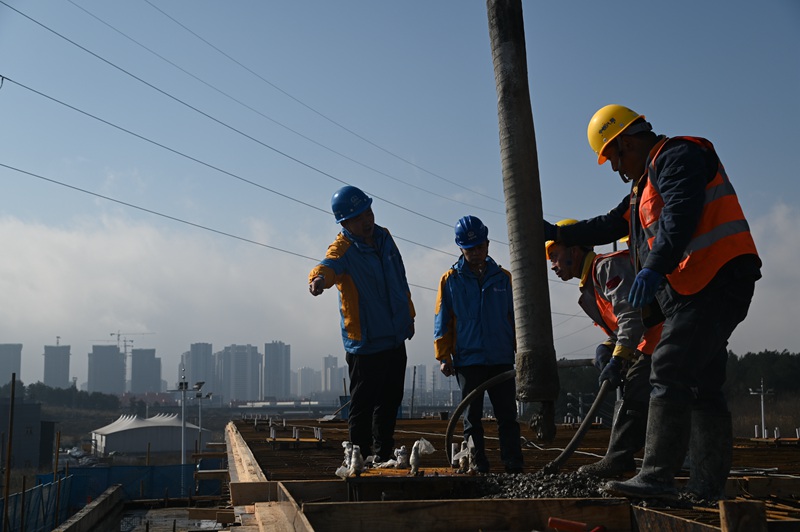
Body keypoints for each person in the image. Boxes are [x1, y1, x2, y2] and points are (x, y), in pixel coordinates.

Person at [544, 104, 760, 500]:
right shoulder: (642, 183)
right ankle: (705, 488)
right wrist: (558, 231)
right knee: (704, 385)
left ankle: (657, 477)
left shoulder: (678, 156)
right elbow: (611, 223)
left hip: (718, 279)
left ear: (625, 142)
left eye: (612, 158)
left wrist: (654, 268)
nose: (614, 168)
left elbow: (681, 215)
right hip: (692, 289)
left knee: (670, 365)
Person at [546, 219, 662, 478]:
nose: (552, 265)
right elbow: (621, 326)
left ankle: (620, 459)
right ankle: (632, 458)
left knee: (636, 394)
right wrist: (607, 346)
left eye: (555, 256)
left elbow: (632, 317)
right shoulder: (591, 285)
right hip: (648, 342)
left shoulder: (606, 267)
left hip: (658, 339)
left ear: (575, 251)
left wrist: (617, 360)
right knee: (649, 398)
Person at [309, 185, 415, 462]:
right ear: (344, 223)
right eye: (358, 217)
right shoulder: (343, 248)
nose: (367, 220)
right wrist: (318, 280)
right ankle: (359, 457)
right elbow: (328, 265)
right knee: (362, 406)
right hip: (366, 343)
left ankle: (382, 453)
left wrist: (409, 316)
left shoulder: (384, 237)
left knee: (391, 401)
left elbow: (399, 279)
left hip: (394, 335)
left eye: (368, 212)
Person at [434, 215, 523, 474]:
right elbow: (443, 319)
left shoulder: (504, 279)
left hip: (500, 357)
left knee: (507, 416)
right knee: (471, 418)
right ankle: (478, 464)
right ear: (460, 248)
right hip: (468, 360)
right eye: (470, 249)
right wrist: (443, 355)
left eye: (480, 247)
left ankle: (513, 465)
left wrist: (523, 351)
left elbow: (515, 317)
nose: (476, 253)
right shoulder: (450, 280)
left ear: (487, 244)